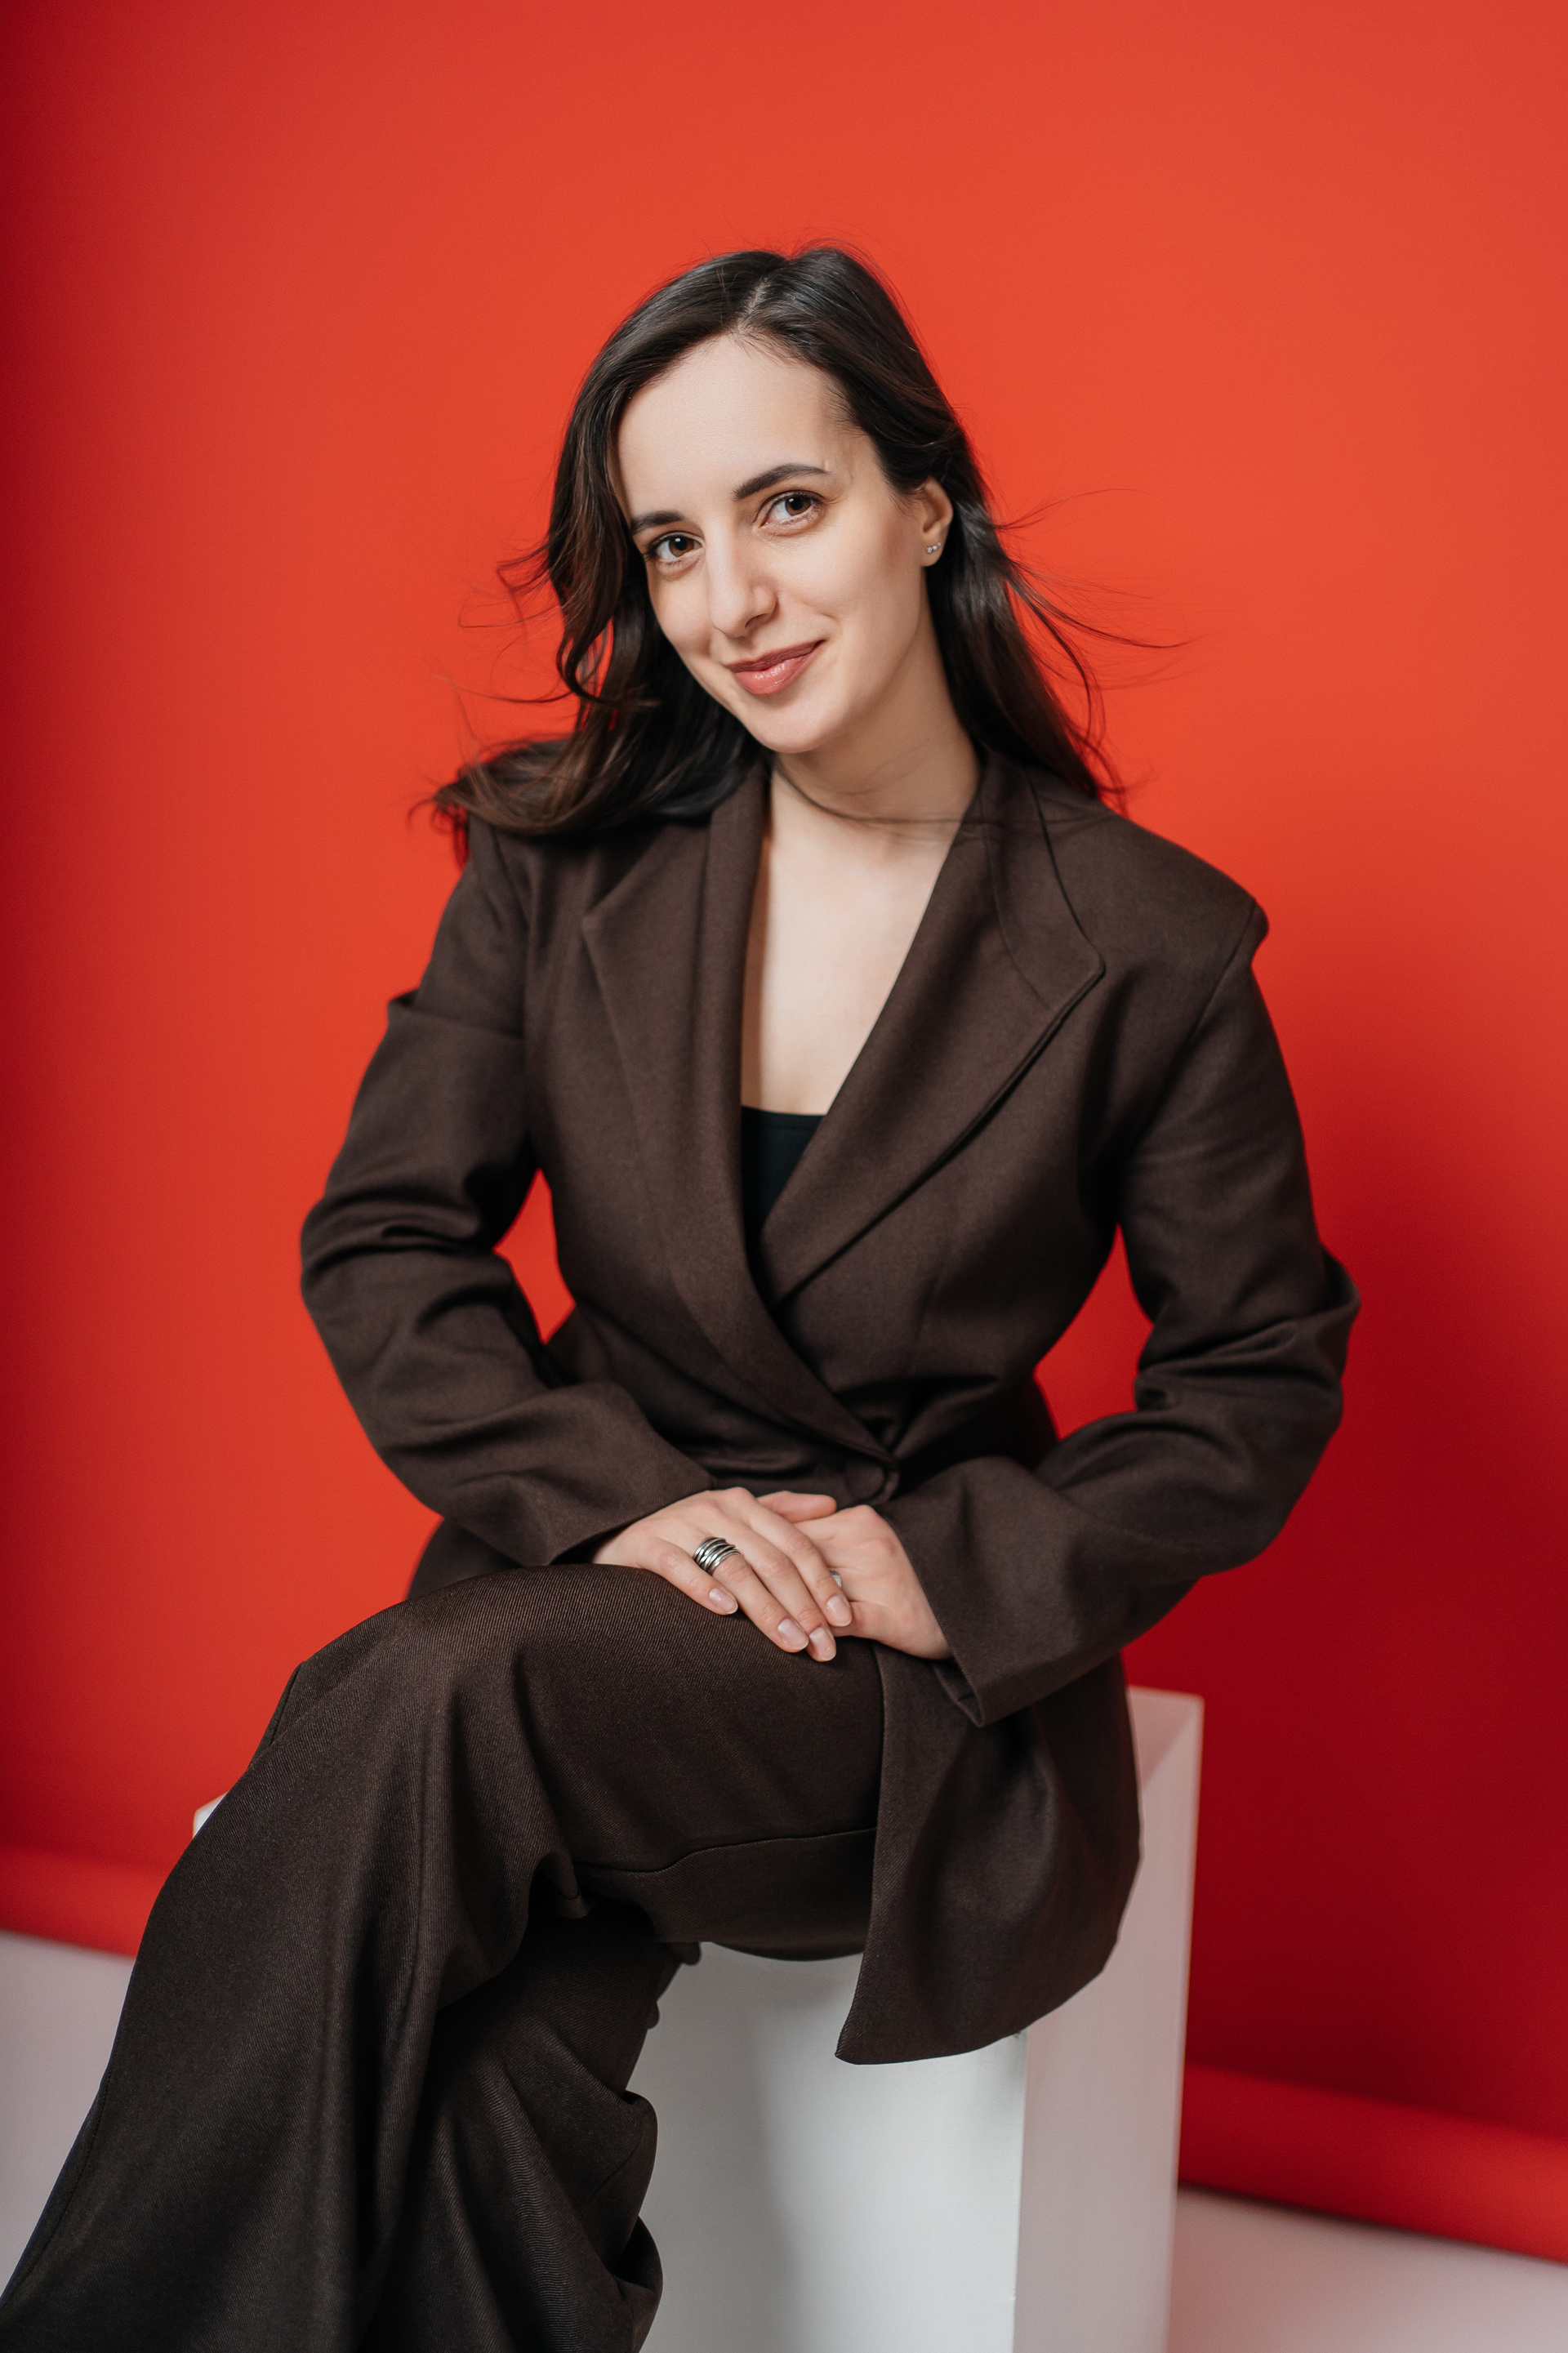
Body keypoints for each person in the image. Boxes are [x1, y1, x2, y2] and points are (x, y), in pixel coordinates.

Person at [0, 245, 1356, 2351]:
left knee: (425, 1698)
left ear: (925, 503)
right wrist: (617, 1502)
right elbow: (387, 1234)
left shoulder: (1151, 948)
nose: (730, 596)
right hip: (579, 1562)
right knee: (484, 2072)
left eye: (784, 504)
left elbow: (1257, 1372)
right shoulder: (560, 862)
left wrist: (951, 1571)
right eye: (670, 542)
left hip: (862, 1658)